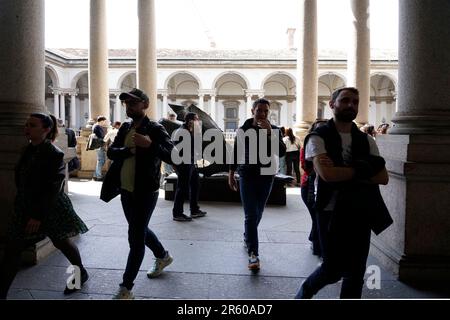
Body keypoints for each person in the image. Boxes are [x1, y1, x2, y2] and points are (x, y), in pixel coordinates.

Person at [295, 87, 391, 299]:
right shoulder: (316, 137)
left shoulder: (367, 140)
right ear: (332, 104)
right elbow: (328, 175)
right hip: (330, 209)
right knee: (332, 268)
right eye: (345, 100)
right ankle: (304, 292)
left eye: (355, 102)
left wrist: (343, 170)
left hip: (360, 209)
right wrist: (363, 168)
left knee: (356, 271)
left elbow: (383, 177)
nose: (351, 105)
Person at [0, 113, 89, 299]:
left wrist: (37, 216)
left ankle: (79, 274)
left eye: (32, 125)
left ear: (46, 129)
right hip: (26, 205)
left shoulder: (54, 153)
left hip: (50, 208)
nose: (27, 128)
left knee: (61, 242)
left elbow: (52, 188)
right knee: (13, 248)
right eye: (26, 124)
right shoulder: (28, 149)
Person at [101, 88, 175, 300]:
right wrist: (129, 151)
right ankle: (162, 256)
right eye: (126, 103)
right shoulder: (124, 127)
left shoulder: (155, 128)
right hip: (125, 190)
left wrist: (151, 145)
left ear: (145, 104)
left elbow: (172, 155)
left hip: (145, 191)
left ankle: (126, 288)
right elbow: (111, 152)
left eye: (133, 103)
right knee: (139, 230)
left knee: (135, 238)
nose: (129, 107)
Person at [228, 98, 286, 271]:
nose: (262, 114)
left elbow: (281, 152)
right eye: (259, 110)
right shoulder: (243, 129)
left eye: (266, 111)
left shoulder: (274, 129)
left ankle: (248, 236)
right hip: (247, 174)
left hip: (267, 175)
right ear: (252, 111)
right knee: (251, 215)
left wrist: (270, 134)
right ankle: (254, 253)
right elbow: (236, 151)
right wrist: (231, 173)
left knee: (258, 212)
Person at [171, 112, 207, 222]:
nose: (198, 121)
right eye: (196, 119)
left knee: (195, 184)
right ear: (190, 120)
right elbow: (176, 150)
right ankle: (177, 213)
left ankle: (194, 210)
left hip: (190, 162)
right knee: (182, 188)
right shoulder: (181, 131)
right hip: (183, 163)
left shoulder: (190, 131)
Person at [300, 119, 328, 257]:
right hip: (309, 187)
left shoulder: (331, 147)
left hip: (326, 187)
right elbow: (306, 167)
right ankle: (318, 246)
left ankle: (315, 242)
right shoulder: (306, 146)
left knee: (319, 219)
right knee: (316, 218)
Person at [92, 116, 108, 181]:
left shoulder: (95, 126)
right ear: (101, 121)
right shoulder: (97, 127)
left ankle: (95, 175)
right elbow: (101, 136)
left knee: (100, 160)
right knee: (101, 160)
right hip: (99, 145)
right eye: (104, 121)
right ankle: (98, 176)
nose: (104, 123)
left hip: (98, 145)